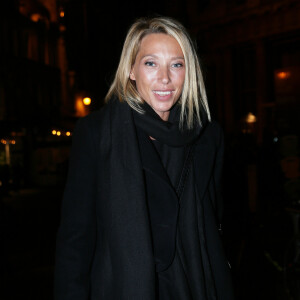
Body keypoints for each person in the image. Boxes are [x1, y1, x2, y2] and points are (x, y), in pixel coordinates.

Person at [54, 16, 235, 300]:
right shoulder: (97, 133)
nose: (165, 78)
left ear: (190, 72)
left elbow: (214, 220)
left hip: (194, 286)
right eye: (151, 63)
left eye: (177, 64)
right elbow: (76, 237)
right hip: (120, 287)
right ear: (131, 70)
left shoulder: (208, 136)